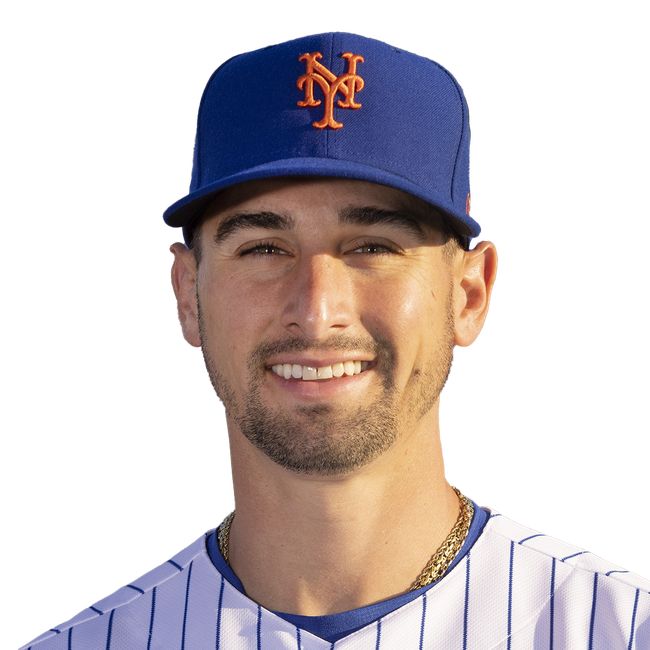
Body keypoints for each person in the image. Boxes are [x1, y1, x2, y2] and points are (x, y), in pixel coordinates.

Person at [20, 31, 648, 650]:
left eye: (373, 246)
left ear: (469, 295)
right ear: (187, 294)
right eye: (264, 248)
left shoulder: (624, 629)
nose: (318, 313)